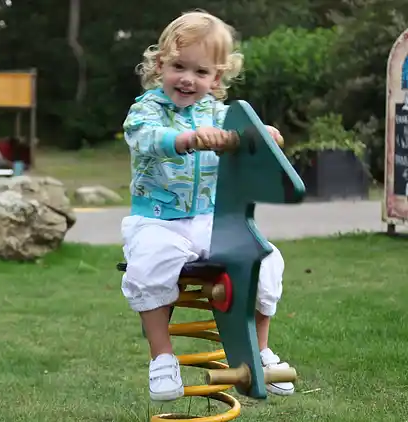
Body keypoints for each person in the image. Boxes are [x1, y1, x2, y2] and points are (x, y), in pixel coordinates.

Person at [120, 10, 295, 401]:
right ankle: (162, 358)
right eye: (178, 66)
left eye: (200, 72)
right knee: (149, 261)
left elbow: (247, 134)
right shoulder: (147, 109)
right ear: (160, 65)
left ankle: (260, 351)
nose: (187, 79)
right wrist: (182, 140)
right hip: (158, 221)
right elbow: (143, 137)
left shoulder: (220, 114)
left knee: (264, 259)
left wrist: (263, 135)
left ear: (216, 78)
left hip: (209, 221)